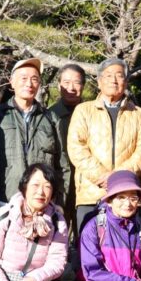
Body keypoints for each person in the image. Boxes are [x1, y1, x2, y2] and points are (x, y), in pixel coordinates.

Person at [66, 57, 141, 231]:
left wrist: (119, 178)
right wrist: (101, 176)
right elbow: (76, 147)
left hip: (128, 195)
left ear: (126, 82)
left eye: (119, 75)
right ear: (99, 82)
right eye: (108, 75)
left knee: (128, 244)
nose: (114, 80)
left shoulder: (139, 114)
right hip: (92, 193)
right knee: (90, 243)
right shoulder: (83, 111)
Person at [0, 58, 65, 204]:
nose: (29, 84)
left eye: (34, 79)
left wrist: (59, 201)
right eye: (24, 78)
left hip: (42, 202)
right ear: (12, 82)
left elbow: (62, 165)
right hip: (4, 200)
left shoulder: (51, 118)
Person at [49, 62, 87, 218]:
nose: (71, 88)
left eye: (76, 82)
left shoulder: (92, 113)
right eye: (66, 82)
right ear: (59, 85)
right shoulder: (50, 115)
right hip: (60, 183)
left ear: (83, 85)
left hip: (87, 183)